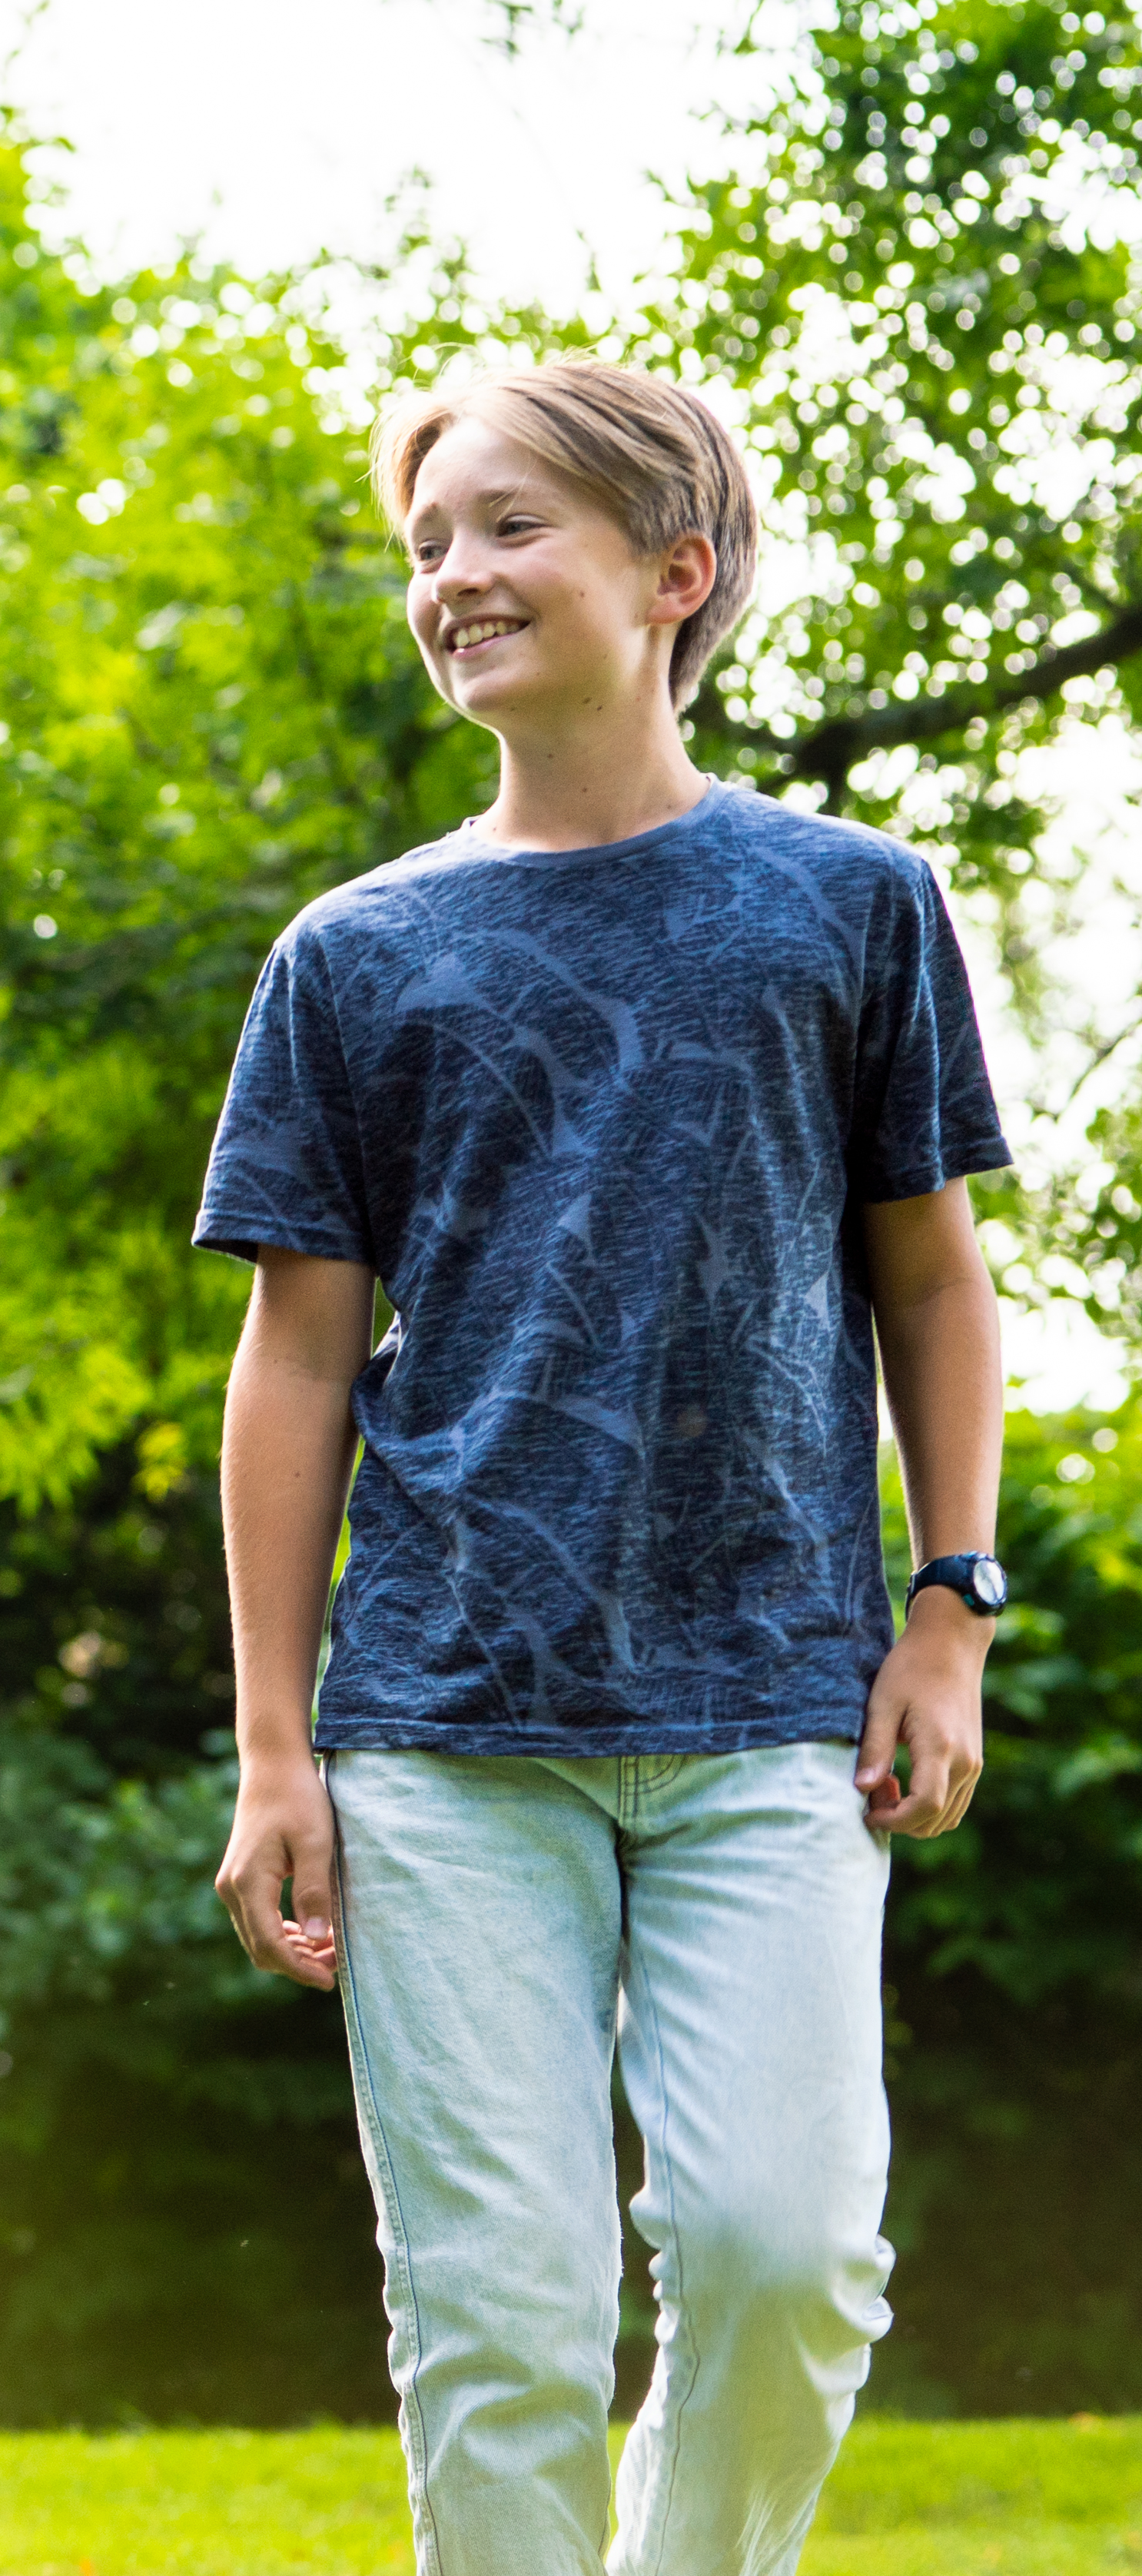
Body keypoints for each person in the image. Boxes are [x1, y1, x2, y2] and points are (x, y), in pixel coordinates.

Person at [202, 358, 1009, 2576]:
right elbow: (293, 1368)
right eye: (428, 544)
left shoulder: (848, 907)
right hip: (444, 1731)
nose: (452, 578)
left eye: (504, 528)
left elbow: (933, 1290)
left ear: (677, 572)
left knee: (779, 2258)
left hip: (775, 1703)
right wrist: (277, 1746)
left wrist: (950, 1601)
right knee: (503, 2325)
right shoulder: (355, 956)